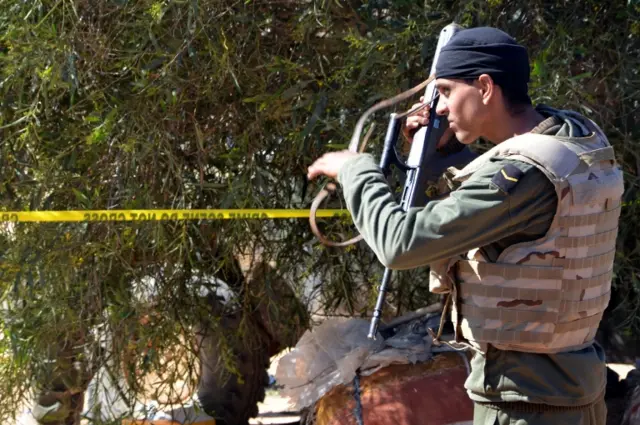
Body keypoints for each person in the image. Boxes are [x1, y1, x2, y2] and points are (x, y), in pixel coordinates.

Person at [307, 27, 623, 425]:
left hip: (523, 404)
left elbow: (400, 245)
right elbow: (503, 211)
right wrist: (447, 152)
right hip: (571, 390)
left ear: (485, 87)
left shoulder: (521, 176)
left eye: (445, 91)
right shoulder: (573, 142)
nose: (438, 107)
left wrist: (356, 170)